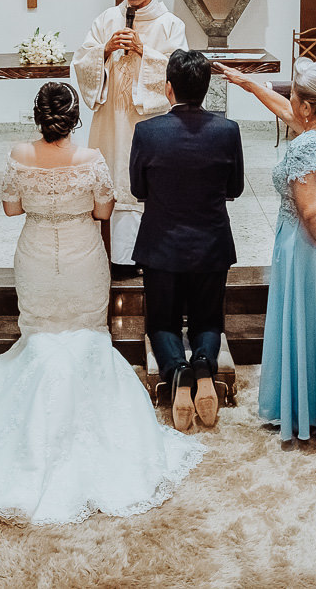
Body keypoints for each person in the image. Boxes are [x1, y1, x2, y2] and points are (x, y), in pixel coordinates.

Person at [0, 82, 204, 524]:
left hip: (34, 256)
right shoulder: (92, 159)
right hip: (83, 257)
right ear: (74, 119)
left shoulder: (19, 155)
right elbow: (103, 212)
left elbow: (12, 209)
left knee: (40, 336)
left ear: (39, 117)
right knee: (87, 334)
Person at [221, 60, 316, 439]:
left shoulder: (305, 146)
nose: (291, 102)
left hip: (310, 241)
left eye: (295, 96)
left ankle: (306, 411)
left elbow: (309, 212)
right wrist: (249, 85)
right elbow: (286, 111)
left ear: (305, 106)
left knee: (305, 318)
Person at [130, 50, 245, 432]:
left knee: (162, 323)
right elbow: (235, 188)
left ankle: (178, 371)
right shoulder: (227, 130)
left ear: (169, 89)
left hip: (161, 245)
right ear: (206, 88)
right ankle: (204, 368)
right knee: (207, 320)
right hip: (211, 243)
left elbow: (138, 188)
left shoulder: (148, 131)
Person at [74, 0, 188, 272]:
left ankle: (150, 253)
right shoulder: (107, 19)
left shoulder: (170, 24)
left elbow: (179, 71)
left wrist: (143, 51)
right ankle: (117, 257)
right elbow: (82, 60)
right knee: (113, 175)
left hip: (149, 120)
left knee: (148, 182)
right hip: (112, 118)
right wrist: (105, 50)